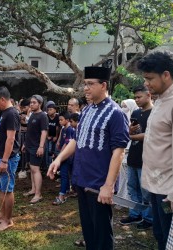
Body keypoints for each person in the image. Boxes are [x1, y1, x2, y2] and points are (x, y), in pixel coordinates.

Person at [47, 66, 129, 249]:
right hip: (81, 180)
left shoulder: (115, 113)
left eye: (90, 84)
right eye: (85, 84)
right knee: (89, 234)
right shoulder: (86, 111)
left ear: (104, 85)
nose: (86, 88)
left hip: (99, 185)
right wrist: (58, 159)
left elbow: (119, 151)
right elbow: (76, 141)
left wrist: (108, 186)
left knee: (102, 237)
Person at [133, 51, 173, 250]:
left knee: (170, 238)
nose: (147, 84)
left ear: (166, 75)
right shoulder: (160, 100)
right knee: (160, 235)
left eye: (150, 79)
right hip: (155, 184)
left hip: (168, 190)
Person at [119, 86, 153, 230]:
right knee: (132, 188)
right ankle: (135, 214)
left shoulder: (154, 113)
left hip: (146, 159)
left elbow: (149, 135)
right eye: (135, 97)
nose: (136, 100)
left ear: (148, 95)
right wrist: (129, 131)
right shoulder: (136, 112)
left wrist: (129, 136)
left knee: (145, 191)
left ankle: (148, 218)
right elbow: (129, 130)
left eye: (139, 97)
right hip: (133, 155)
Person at [0, 86, 20, 231]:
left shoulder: (11, 114)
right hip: (0, 156)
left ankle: (8, 220)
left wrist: (4, 160)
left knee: (8, 189)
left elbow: (10, 139)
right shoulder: (5, 113)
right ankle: (2, 216)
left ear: (3, 99)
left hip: (8, 159)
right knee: (1, 188)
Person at [22, 95, 48, 204]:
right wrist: (25, 144)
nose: (31, 104)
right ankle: (33, 189)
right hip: (29, 146)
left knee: (36, 169)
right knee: (32, 169)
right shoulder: (32, 114)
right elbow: (29, 131)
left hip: (36, 147)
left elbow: (44, 132)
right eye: (31, 102)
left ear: (40, 103)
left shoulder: (43, 116)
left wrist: (41, 147)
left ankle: (38, 194)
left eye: (34, 102)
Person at [52, 111, 75, 205]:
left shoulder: (70, 129)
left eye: (62, 120)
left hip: (66, 156)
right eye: (59, 120)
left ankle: (62, 196)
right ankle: (66, 191)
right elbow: (61, 140)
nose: (60, 122)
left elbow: (67, 144)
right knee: (64, 174)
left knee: (64, 175)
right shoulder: (63, 129)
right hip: (62, 155)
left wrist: (60, 156)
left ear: (67, 120)